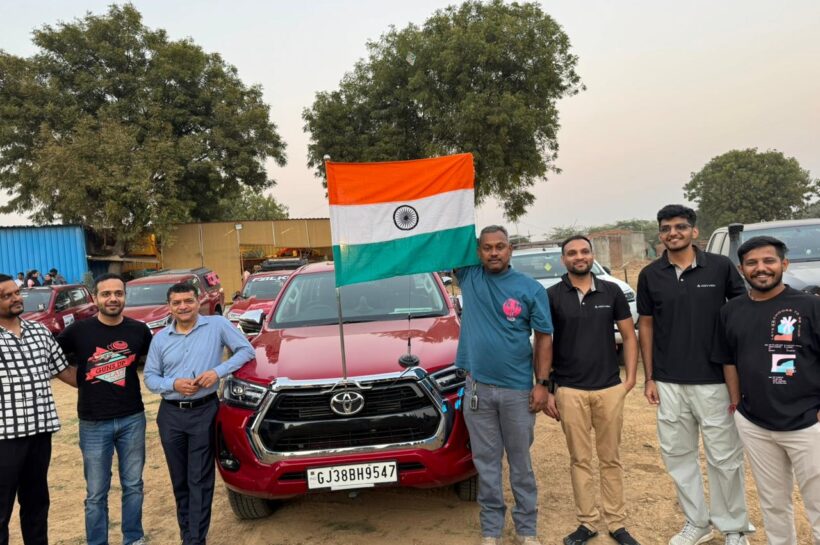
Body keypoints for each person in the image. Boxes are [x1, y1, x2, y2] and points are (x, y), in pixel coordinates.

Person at [637, 205, 751, 545]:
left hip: (715, 379)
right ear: (660, 234)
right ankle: (697, 523)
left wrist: (740, 372)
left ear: (694, 231)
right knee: (677, 456)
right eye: (666, 228)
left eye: (680, 226)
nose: (673, 233)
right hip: (668, 381)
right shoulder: (650, 275)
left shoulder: (720, 267)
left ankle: (733, 527)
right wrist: (649, 376)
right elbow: (646, 325)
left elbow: (742, 314)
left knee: (725, 458)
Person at [713, 236, 820, 545]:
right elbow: (728, 360)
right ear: (741, 269)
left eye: (769, 261)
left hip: (808, 423)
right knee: (773, 503)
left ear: (784, 264)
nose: (761, 268)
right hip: (756, 424)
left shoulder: (811, 306)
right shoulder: (731, 311)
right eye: (752, 263)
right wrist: (737, 405)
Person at [455, 225, 553, 545]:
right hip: (478, 390)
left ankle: (526, 529)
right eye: (487, 247)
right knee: (486, 464)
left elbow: (544, 337)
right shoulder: (469, 277)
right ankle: (491, 530)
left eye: (500, 246)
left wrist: (542, 384)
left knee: (520, 463)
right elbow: (450, 238)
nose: (494, 252)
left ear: (510, 249)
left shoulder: (530, 288)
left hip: (518, 391)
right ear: (478, 252)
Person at [544, 236, 641, 545]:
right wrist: (547, 388)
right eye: (572, 253)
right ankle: (586, 523)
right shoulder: (552, 295)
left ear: (592, 255)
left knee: (611, 458)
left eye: (584, 251)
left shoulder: (611, 291)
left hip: (609, 388)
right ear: (563, 259)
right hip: (570, 390)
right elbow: (544, 343)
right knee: (580, 460)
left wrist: (630, 380)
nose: (579, 257)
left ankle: (617, 523)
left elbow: (629, 335)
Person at [144, 282, 254, 545]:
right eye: (177, 302)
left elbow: (246, 350)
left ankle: (196, 539)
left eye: (188, 301)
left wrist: (218, 371)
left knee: (200, 478)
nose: (183, 306)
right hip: (171, 415)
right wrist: (173, 384)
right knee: (180, 479)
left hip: (205, 411)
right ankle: (188, 535)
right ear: (169, 307)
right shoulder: (160, 339)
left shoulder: (217, 325)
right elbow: (150, 377)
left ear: (198, 302)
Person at [56, 273, 153, 545]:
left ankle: (133, 538)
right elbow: (52, 358)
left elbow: (157, 360)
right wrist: (79, 380)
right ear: (95, 297)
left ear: (124, 297)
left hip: (132, 418)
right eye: (106, 294)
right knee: (96, 493)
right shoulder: (78, 331)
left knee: (133, 485)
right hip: (93, 422)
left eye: (118, 293)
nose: (113, 298)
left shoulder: (139, 330)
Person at [0, 273, 77, 545]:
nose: (16, 298)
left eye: (16, 292)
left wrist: (104, 373)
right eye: (6, 296)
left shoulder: (39, 331)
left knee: (36, 504)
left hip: (40, 433)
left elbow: (65, 371)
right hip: (4, 439)